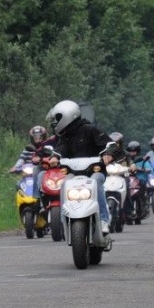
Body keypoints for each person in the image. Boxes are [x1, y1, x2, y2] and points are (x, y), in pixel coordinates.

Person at [45, 99, 111, 235]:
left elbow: (109, 144)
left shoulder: (90, 129)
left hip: (94, 171)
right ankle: (65, 221)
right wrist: (54, 157)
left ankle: (104, 219)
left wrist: (109, 154)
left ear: (68, 115)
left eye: (58, 118)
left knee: (96, 182)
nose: (55, 123)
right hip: (74, 173)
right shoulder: (65, 136)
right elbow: (60, 148)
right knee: (63, 184)